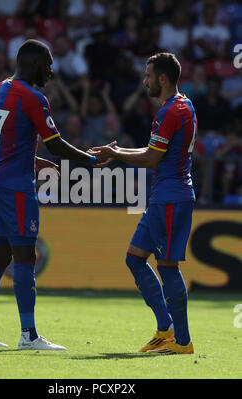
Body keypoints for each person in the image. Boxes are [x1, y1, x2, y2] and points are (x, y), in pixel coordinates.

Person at [0, 39, 107, 351]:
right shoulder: (34, 97)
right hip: (15, 187)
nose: (51, 71)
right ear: (36, 64)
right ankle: (28, 336)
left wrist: (32, 159)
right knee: (26, 256)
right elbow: (54, 144)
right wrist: (91, 159)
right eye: (49, 64)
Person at [90, 53, 196, 355]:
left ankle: (183, 341)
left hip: (171, 198)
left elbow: (151, 159)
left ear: (162, 78)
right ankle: (166, 329)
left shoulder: (169, 112)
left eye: (148, 76)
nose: (145, 81)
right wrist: (118, 150)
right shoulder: (183, 105)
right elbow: (154, 151)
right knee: (135, 258)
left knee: (168, 267)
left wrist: (117, 154)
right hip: (165, 196)